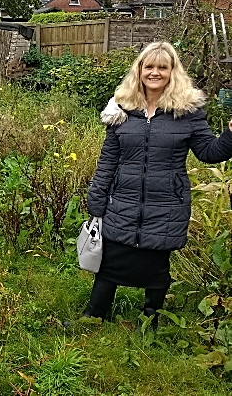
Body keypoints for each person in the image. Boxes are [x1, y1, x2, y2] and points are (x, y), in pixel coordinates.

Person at [84, 41, 232, 328]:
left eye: (162, 67)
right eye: (148, 66)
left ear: (172, 72)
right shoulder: (121, 109)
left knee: (156, 266)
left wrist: (230, 135)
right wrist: (97, 200)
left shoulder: (187, 112)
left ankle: (150, 321)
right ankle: (93, 317)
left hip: (166, 203)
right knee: (111, 261)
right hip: (123, 201)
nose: (155, 72)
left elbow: (209, 153)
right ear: (139, 70)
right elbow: (108, 161)